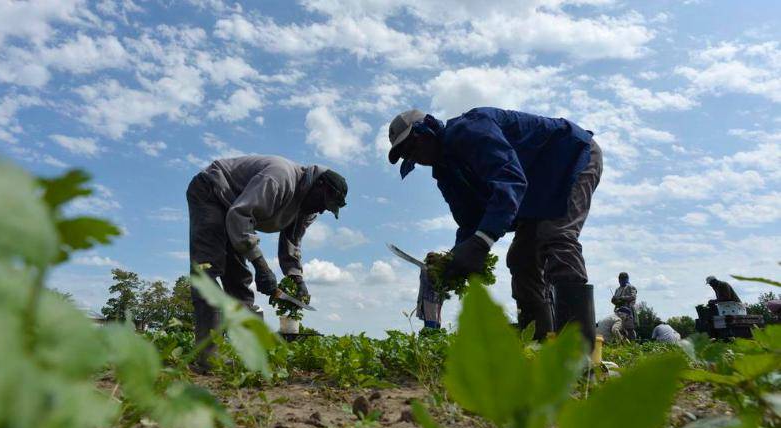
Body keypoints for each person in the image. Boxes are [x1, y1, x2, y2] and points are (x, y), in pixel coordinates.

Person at [387, 107, 602, 343]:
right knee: (521, 259)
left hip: (569, 160)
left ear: (427, 131)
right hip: (535, 192)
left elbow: (510, 179)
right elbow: (469, 221)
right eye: (406, 154)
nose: (414, 156)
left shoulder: (470, 129)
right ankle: (538, 342)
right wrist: (454, 259)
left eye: (412, 145)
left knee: (556, 236)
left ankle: (580, 348)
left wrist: (481, 242)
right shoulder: (445, 173)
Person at [186, 155, 347, 371]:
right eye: (322, 203)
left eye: (326, 209)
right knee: (207, 270)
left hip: (235, 208)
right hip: (213, 191)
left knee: (239, 280)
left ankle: (250, 354)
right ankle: (209, 358)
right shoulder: (279, 178)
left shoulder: (308, 208)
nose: (320, 210)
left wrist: (296, 278)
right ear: (318, 185)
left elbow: (292, 241)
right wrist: (261, 266)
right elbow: (240, 215)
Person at [611, 272, 638, 339]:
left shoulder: (631, 287)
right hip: (618, 311)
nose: (620, 281)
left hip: (628, 311)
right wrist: (614, 300)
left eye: (622, 279)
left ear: (626, 279)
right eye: (619, 279)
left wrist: (622, 298)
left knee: (629, 329)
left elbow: (633, 297)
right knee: (620, 328)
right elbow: (615, 301)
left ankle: (632, 343)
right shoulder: (618, 289)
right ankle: (622, 344)